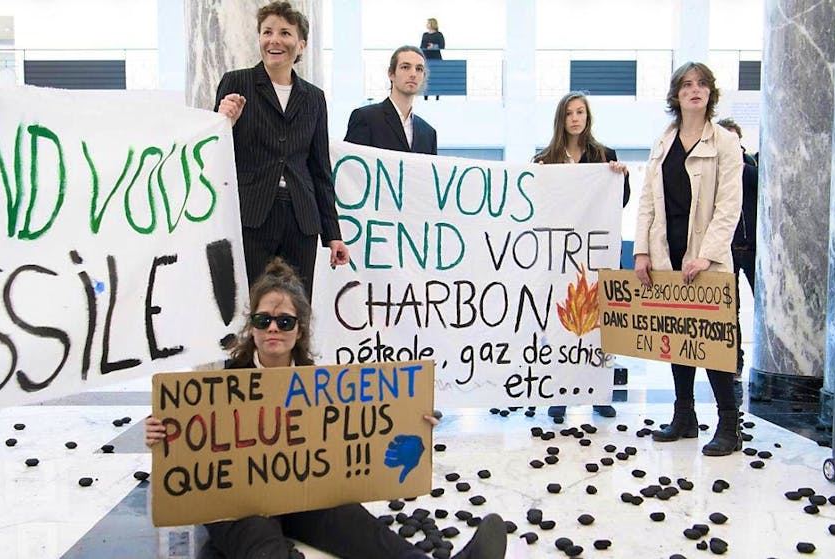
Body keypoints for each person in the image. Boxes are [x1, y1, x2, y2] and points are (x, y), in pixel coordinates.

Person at [146, 259, 507, 559]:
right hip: (235, 500)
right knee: (262, 547)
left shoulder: (323, 387)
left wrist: (413, 420)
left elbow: (366, 431)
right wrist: (160, 433)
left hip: (300, 491)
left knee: (364, 531)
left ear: (299, 331)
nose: (273, 328)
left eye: (284, 321)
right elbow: (185, 437)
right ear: (251, 328)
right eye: (263, 320)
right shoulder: (213, 377)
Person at [634, 62, 743, 456]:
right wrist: (642, 250)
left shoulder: (726, 142)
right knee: (678, 337)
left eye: (701, 84)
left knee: (713, 340)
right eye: (686, 85)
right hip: (668, 248)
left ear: (711, 93)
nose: (694, 90)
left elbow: (730, 207)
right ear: (676, 95)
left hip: (706, 254)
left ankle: (730, 424)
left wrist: (706, 255)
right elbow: (648, 200)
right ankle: (685, 416)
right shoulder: (663, 141)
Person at [214, 1, 349, 301]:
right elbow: (215, 155)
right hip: (252, 216)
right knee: (252, 308)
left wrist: (333, 234)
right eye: (267, 32)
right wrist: (224, 122)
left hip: (301, 220)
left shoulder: (314, 98)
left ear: (300, 45)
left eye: (285, 33)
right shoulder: (237, 83)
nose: (274, 40)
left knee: (297, 308)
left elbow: (320, 169)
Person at [534, 91, 630, 419]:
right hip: (560, 259)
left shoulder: (605, 155)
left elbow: (619, 202)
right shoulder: (545, 159)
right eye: (569, 113)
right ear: (561, 119)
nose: (575, 118)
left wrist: (619, 177)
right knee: (559, 326)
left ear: (588, 117)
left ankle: (599, 393)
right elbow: (537, 207)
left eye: (581, 112)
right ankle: (559, 393)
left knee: (600, 327)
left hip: (596, 256)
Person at [716, 117, 758, 406]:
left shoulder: (751, 165)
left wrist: (735, 164)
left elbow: (758, 185)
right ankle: (734, 364)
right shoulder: (714, 170)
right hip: (727, 249)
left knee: (763, 307)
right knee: (730, 311)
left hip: (755, 248)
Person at [345, 46, 437, 155]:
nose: (413, 74)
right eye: (405, 67)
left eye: (419, 69)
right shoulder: (365, 118)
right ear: (391, 73)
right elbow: (351, 166)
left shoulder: (428, 133)